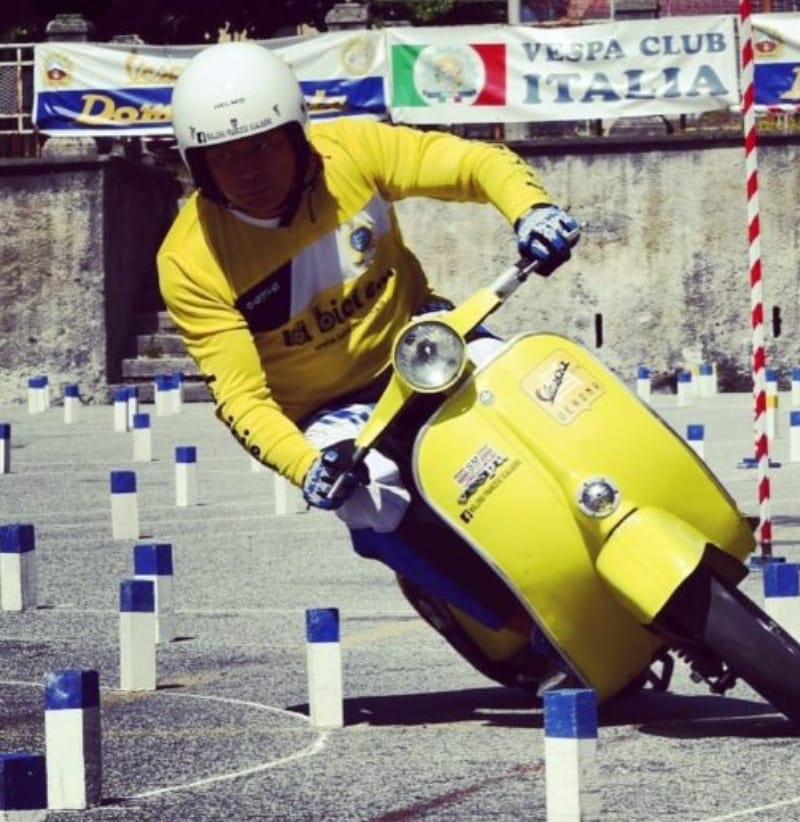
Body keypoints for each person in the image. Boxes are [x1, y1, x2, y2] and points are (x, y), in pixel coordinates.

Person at [157, 41, 579, 628]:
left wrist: (531, 210)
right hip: (331, 410)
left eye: (262, 145)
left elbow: (473, 164)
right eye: (225, 156)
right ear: (198, 165)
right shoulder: (189, 259)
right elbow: (241, 399)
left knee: (541, 387)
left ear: (296, 134)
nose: (248, 170)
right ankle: (516, 624)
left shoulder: (351, 150)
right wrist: (306, 467)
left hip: (418, 344)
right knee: (368, 500)